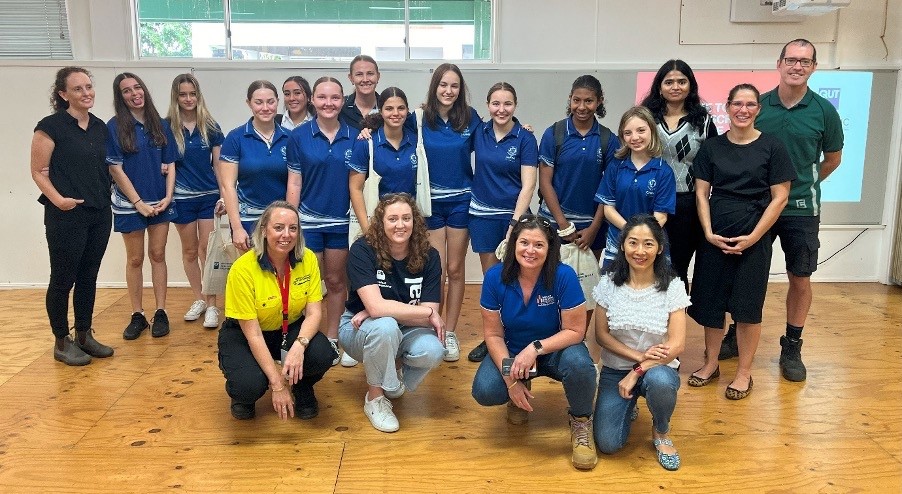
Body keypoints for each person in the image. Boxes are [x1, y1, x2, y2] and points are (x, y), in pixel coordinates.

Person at [720, 39, 844, 382]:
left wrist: (797, 183)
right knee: (744, 273)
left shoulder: (824, 111)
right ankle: (734, 332)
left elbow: (832, 159)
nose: (797, 66)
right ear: (779, 63)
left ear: (814, 67)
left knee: (800, 277)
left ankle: (792, 345)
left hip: (801, 209)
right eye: (791, 59)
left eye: (805, 61)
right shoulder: (760, 106)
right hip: (755, 206)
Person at [686, 84, 796, 400]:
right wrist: (707, 233)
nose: (743, 110)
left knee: (748, 307)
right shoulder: (712, 147)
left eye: (750, 104)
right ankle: (710, 364)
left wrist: (753, 238)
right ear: (729, 106)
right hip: (715, 237)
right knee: (710, 305)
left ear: (757, 109)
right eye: (737, 103)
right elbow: (701, 194)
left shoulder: (773, 147)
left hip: (755, 237)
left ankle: (744, 372)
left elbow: (780, 198)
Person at [471, 215, 597, 471]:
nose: (530, 250)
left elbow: (575, 331)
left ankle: (581, 421)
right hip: (513, 351)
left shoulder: (564, 276)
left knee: (581, 365)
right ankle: (520, 387)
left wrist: (535, 348)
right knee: (485, 391)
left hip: (554, 349)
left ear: (549, 249)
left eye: (538, 245)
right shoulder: (495, 277)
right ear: (513, 243)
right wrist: (511, 380)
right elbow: (493, 335)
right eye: (524, 242)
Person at [338, 193, 446, 433]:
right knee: (384, 326)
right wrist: (422, 311)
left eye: (406, 218)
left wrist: (374, 310)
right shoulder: (362, 250)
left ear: (415, 222)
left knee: (434, 349)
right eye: (393, 219)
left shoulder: (430, 256)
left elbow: (429, 317)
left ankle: (392, 372)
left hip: (404, 328)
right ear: (381, 223)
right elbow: (427, 312)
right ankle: (375, 399)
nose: (400, 225)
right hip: (357, 330)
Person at [218, 201, 336, 420]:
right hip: (246, 334)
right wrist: (278, 385)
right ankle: (244, 396)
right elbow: (252, 334)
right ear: (264, 230)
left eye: (293, 228)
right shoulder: (242, 269)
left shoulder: (307, 258)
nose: (286, 235)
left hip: (286, 328)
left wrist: (299, 346)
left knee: (322, 353)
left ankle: (301, 387)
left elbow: (314, 313)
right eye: (278, 227)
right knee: (248, 385)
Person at [31, 66, 115, 366]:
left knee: (88, 276)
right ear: (63, 94)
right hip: (66, 215)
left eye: (89, 87)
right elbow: (39, 172)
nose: (86, 93)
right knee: (63, 278)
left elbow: (110, 166)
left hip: (99, 213)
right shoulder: (50, 126)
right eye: (78, 88)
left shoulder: (100, 127)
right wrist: (59, 201)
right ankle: (61, 341)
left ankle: (83, 334)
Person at [592, 215, 689, 471]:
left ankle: (661, 430)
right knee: (608, 444)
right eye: (633, 243)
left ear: (659, 248)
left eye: (648, 244)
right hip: (616, 370)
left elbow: (677, 345)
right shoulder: (608, 284)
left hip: (658, 368)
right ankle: (630, 402)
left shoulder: (673, 287)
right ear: (623, 246)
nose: (640, 251)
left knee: (661, 382)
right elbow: (601, 335)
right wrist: (638, 357)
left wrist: (638, 370)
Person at [287, 76, 360, 367]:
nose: (328, 103)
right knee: (311, 285)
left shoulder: (356, 136)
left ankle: (331, 338)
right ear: (312, 100)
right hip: (308, 222)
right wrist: (291, 223)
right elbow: (294, 182)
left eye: (334, 98)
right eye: (322, 97)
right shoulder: (299, 136)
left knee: (336, 281)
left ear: (342, 101)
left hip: (342, 223)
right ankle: (311, 338)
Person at [466, 82, 538, 363]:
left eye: (507, 104)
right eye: (496, 103)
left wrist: (514, 223)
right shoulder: (478, 131)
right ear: (488, 106)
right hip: (482, 215)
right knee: (492, 279)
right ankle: (491, 338)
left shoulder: (525, 138)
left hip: (514, 218)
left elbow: (528, 185)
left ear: (515, 106)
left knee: (519, 280)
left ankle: (517, 338)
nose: (501, 109)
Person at [416, 63, 482, 363]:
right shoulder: (419, 118)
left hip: (460, 203)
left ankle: (451, 332)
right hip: (429, 205)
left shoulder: (470, 118)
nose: (448, 90)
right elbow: (390, 125)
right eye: (443, 85)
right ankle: (434, 328)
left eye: (454, 86)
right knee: (435, 271)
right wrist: (368, 127)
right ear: (435, 86)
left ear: (460, 89)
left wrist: (523, 129)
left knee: (455, 270)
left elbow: (496, 136)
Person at [107, 72, 178, 340]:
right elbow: (115, 169)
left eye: (137, 87)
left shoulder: (160, 124)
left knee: (158, 255)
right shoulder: (113, 126)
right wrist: (137, 203)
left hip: (160, 202)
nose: (134, 93)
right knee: (135, 259)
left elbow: (170, 163)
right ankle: (137, 314)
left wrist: (168, 196)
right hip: (129, 204)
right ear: (120, 96)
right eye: (127, 90)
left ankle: (160, 311)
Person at [640, 60, 718, 293]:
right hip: (648, 199)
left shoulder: (703, 121)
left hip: (687, 204)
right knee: (646, 263)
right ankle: (647, 323)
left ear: (690, 86)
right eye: (669, 82)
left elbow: (713, 162)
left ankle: (675, 325)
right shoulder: (646, 118)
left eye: (682, 81)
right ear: (659, 86)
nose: (676, 86)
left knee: (677, 267)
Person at [166, 73, 225, 328]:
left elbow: (221, 165)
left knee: (207, 250)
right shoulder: (167, 127)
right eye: (183, 94)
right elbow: (164, 163)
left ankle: (213, 305)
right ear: (176, 97)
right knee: (189, 251)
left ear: (198, 96)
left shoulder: (210, 126)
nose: (188, 99)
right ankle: (199, 298)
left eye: (192, 94)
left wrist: (225, 195)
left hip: (208, 196)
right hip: (181, 198)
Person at [538, 74, 618, 256]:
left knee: (588, 280)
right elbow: (545, 183)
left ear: (599, 101)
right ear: (570, 99)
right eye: (577, 100)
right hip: (553, 221)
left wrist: (595, 227)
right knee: (551, 279)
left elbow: (609, 188)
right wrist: (563, 225)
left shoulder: (609, 139)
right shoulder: (554, 134)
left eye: (589, 101)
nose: (581, 107)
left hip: (592, 226)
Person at [594, 106, 675, 269]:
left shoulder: (663, 171)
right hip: (618, 240)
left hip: (649, 243)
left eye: (641, 130)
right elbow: (608, 210)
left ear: (651, 131)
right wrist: (629, 234)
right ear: (622, 136)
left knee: (651, 291)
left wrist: (640, 239)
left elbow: (661, 216)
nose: (635, 137)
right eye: (628, 133)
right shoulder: (615, 167)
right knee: (613, 290)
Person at [220, 80, 291, 251]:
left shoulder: (290, 139)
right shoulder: (236, 138)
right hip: (247, 220)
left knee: (279, 274)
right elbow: (227, 186)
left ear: (278, 102)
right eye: (258, 102)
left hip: (280, 221)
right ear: (249, 103)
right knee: (250, 275)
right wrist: (237, 227)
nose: (265, 108)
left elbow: (296, 183)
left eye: (270, 101)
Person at [348, 87, 418, 233]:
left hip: (409, 224)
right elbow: (355, 188)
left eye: (401, 108)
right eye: (389, 109)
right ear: (380, 111)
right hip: (377, 223)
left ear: (407, 110)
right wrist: (367, 229)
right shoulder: (366, 143)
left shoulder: (417, 141)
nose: (396, 113)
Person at [340, 55, 381, 130]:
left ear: (378, 76)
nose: (365, 79)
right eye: (359, 74)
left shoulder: (388, 107)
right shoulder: (340, 106)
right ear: (351, 78)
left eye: (370, 73)